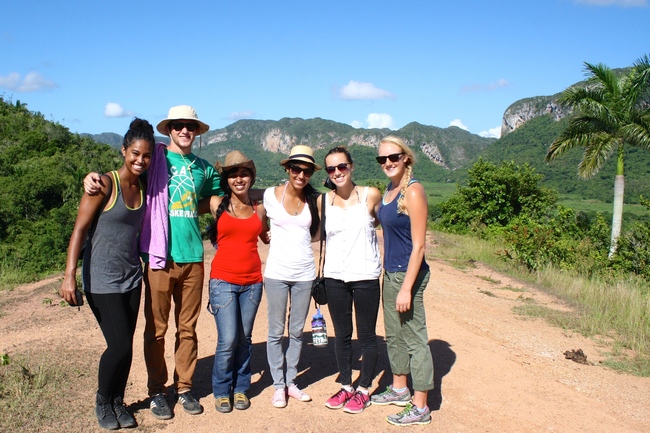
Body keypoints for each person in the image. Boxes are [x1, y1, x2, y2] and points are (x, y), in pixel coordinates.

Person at [83, 105, 222, 420]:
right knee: (156, 330)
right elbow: (126, 171)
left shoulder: (204, 168)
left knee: (187, 329)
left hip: (193, 258)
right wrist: (91, 178)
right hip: (160, 258)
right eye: (178, 125)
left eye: (190, 126)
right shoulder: (154, 160)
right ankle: (157, 390)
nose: (184, 130)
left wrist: (214, 202)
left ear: (197, 132)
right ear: (169, 129)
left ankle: (184, 387)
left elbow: (215, 196)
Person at [61, 118, 154, 430]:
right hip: (101, 279)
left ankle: (118, 401)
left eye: (146, 155)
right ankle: (103, 400)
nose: (140, 160)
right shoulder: (103, 184)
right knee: (120, 345)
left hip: (132, 277)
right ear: (124, 150)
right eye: (135, 153)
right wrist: (69, 276)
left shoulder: (144, 185)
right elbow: (79, 229)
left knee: (126, 345)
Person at [371, 135, 434, 426]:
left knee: (415, 339)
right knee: (394, 334)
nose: (388, 163)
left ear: (406, 157)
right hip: (391, 272)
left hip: (408, 274)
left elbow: (419, 246)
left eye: (393, 157)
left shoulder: (413, 191)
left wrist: (407, 288)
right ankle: (399, 388)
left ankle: (420, 406)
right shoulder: (390, 189)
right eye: (382, 159)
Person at [320, 146, 382, 414]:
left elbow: (381, 223)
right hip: (335, 276)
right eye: (331, 169)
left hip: (365, 275)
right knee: (342, 335)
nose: (337, 172)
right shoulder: (324, 201)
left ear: (351, 166)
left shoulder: (370, 194)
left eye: (341, 166)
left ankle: (364, 389)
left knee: (366, 335)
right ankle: (346, 385)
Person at [207, 151, 269, 413]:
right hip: (223, 281)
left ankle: (241, 387)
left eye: (244, 174)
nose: (239, 179)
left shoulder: (260, 209)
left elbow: (266, 236)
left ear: (251, 178)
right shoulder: (215, 203)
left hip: (253, 282)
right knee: (228, 339)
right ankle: (222, 390)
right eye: (233, 175)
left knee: (244, 338)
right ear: (227, 180)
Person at [263, 145, 321, 408]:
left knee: (296, 331)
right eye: (296, 169)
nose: (301, 175)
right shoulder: (270, 195)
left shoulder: (314, 200)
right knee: (276, 332)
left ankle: (291, 382)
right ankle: (278, 385)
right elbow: (259, 223)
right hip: (276, 273)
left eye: (307, 171)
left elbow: (316, 233)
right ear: (287, 168)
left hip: (304, 274)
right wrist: (266, 235)